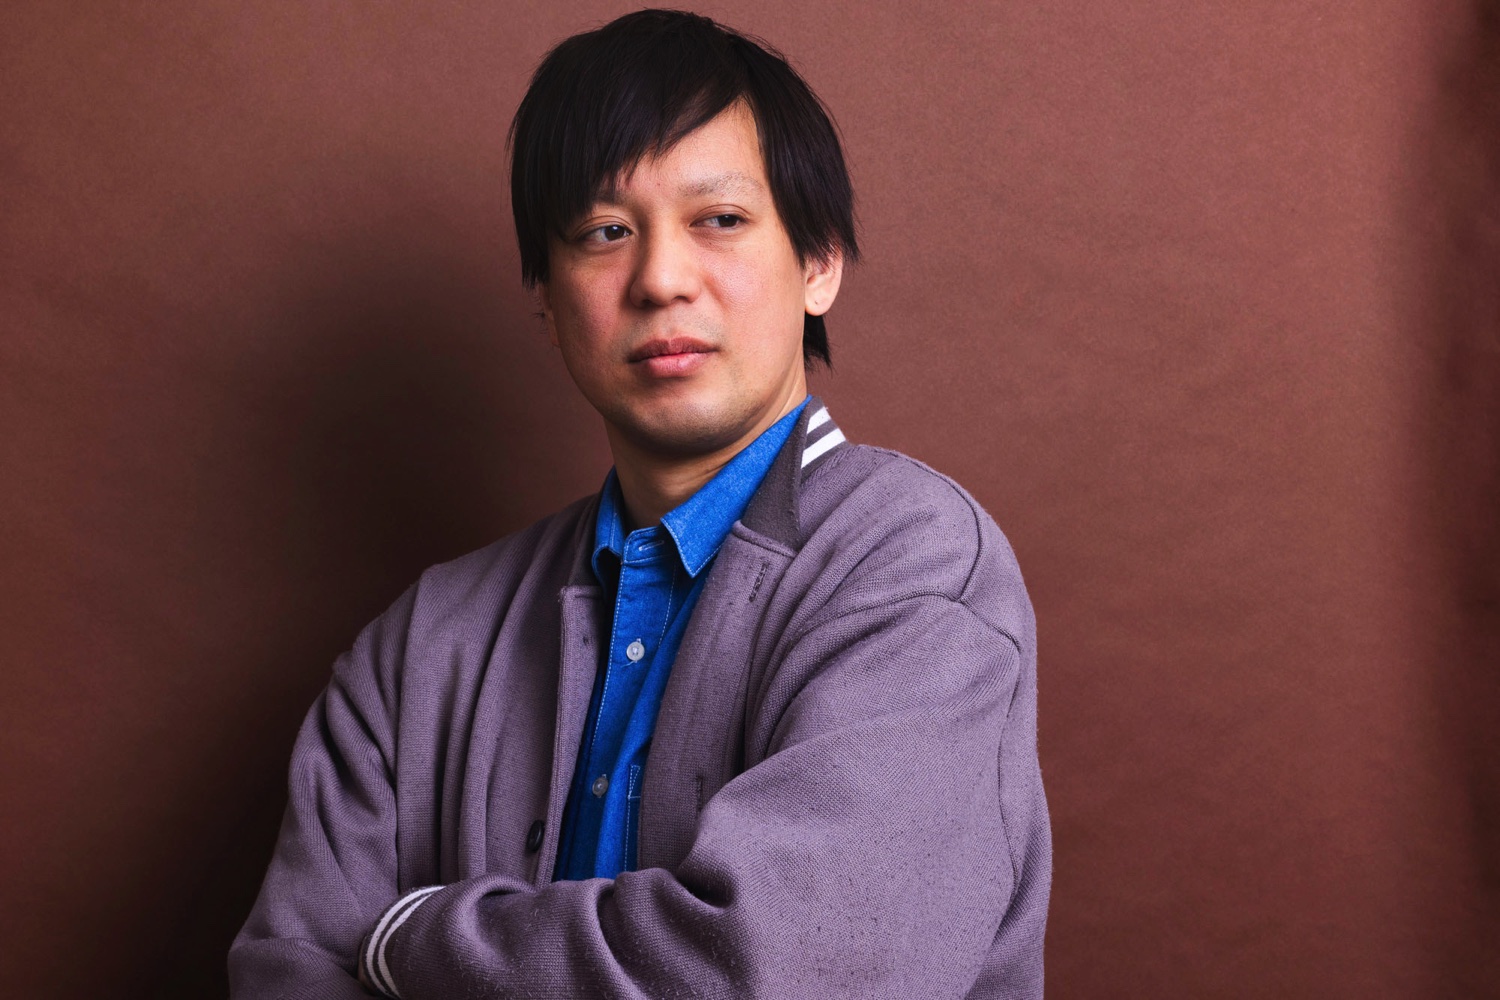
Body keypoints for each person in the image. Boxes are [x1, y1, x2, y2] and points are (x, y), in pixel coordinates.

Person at [228, 9, 1050, 998]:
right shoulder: (422, 642)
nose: (660, 279)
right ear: (546, 298)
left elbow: (778, 971)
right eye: (606, 233)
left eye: (720, 220)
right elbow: (286, 972)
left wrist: (407, 938)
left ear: (820, 262)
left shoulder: (914, 565)